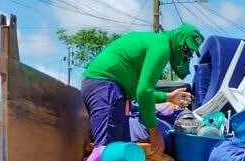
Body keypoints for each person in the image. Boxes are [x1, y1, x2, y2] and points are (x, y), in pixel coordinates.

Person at [81, 23, 203, 152]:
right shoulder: (162, 47)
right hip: (105, 88)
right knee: (105, 152)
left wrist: (168, 97)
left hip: (99, 86)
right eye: (187, 50)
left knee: (109, 150)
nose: (188, 55)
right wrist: (154, 132)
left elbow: (139, 94)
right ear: (179, 40)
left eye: (191, 53)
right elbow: (144, 91)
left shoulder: (155, 41)